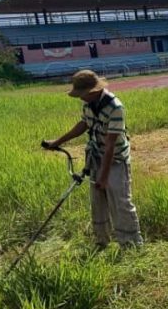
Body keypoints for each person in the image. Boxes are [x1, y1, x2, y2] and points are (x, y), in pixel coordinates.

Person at [44, 70, 143, 250]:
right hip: (96, 156)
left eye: (82, 94)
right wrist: (57, 142)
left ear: (93, 91)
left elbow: (110, 145)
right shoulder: (89, 104)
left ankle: (131, 245)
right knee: (98, 201)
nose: (80, 98)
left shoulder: (115, 107)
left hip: (116, 159)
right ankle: (102, 241)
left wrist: (104, 177)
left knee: (120, 202)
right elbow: (83, 124)